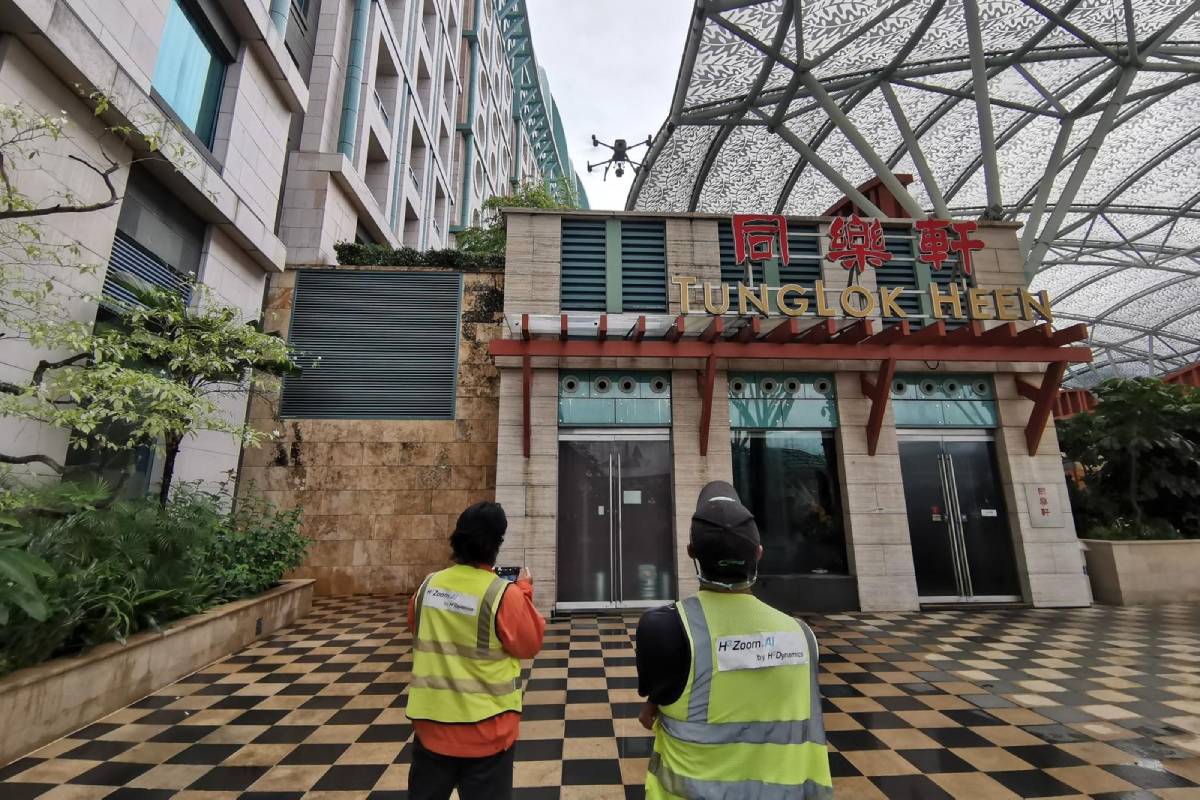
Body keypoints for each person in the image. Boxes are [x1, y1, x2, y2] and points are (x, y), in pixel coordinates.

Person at [636, 481, 833, 799]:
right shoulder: (803, 637)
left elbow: (655, 707)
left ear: (691, 553)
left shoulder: (662, 629)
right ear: (758, 553)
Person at [405, 501, 545, 800]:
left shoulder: (427, 587)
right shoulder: (503, 595)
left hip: (431, 730)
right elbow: (529, 643)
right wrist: (523, 592)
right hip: (487, 733)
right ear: (496, 544)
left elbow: (417, 626)